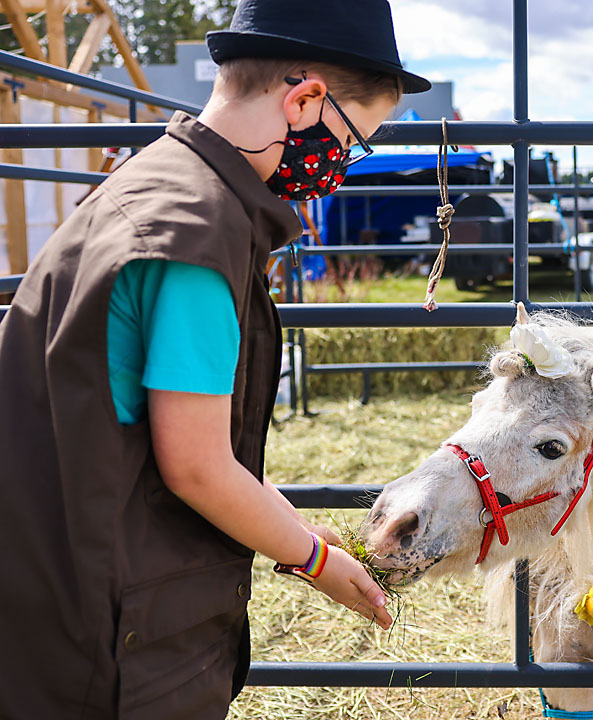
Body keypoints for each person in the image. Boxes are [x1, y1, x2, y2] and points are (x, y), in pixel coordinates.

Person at [0, 1, 430, 717]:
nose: (342, 167)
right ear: (304, 100)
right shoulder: (197, 238)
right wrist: (318, 561)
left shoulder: (151, 184)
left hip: (48, 578)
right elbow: (196, 464)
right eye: (352, 144)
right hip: (119, 642)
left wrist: (291, 524)